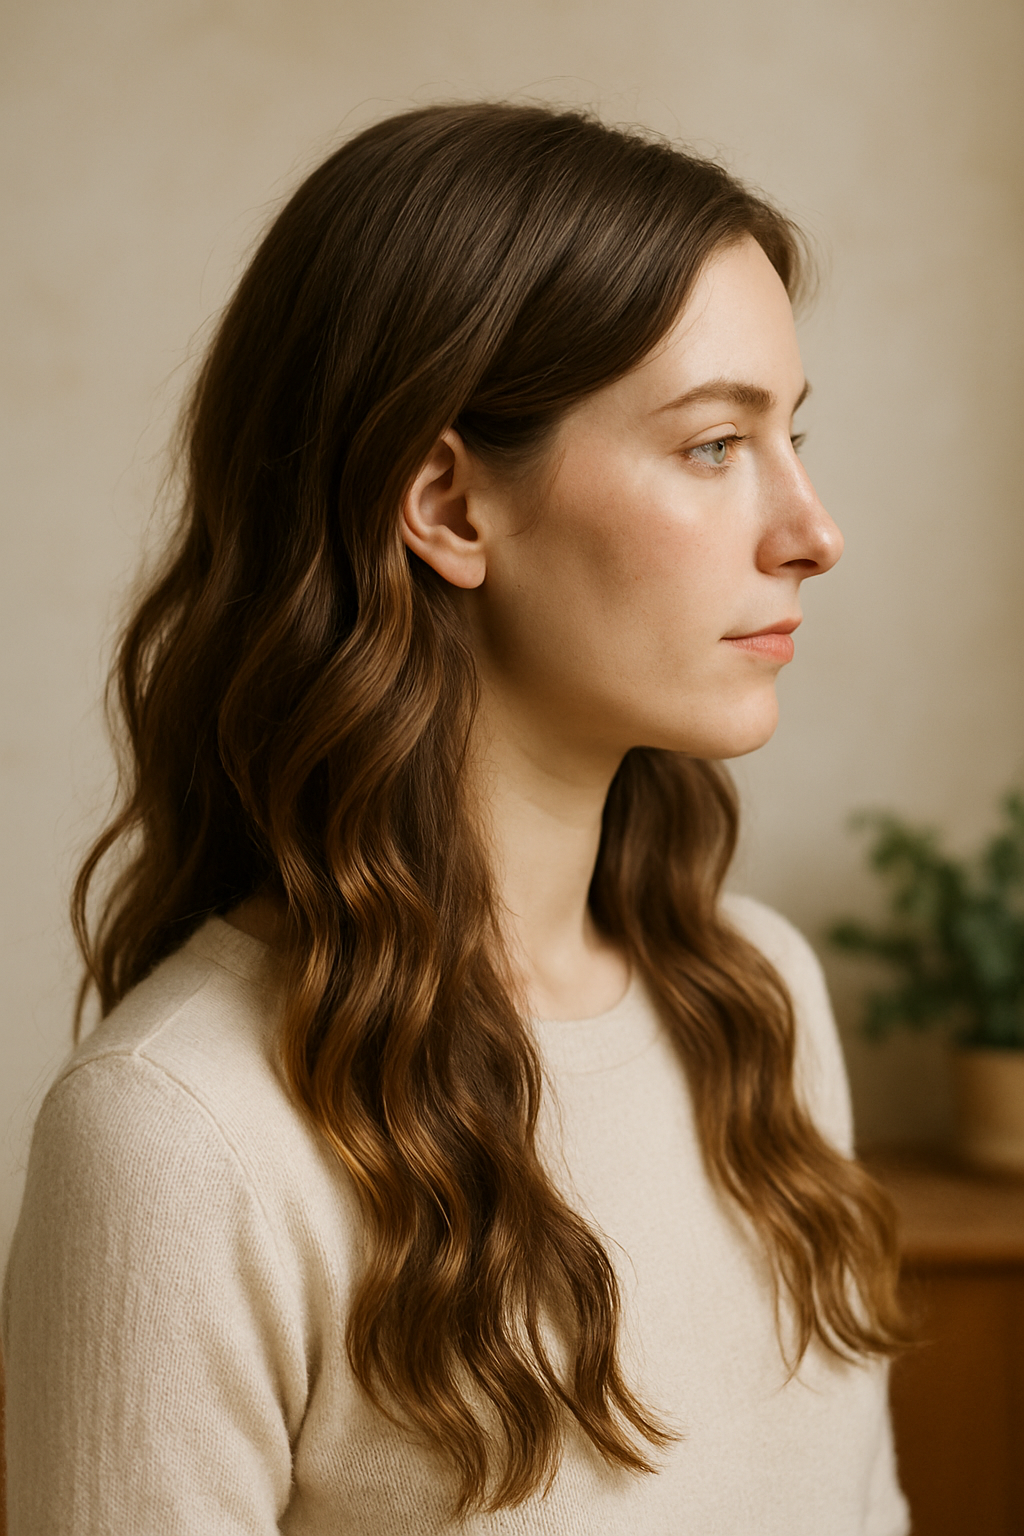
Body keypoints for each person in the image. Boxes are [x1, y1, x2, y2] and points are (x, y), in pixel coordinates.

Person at [2, 102, 911, 1534]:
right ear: (447, 503)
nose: (814, 527)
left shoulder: (760, 1003)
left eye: (788, 435)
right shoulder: (180, 1138)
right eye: (713, 445)